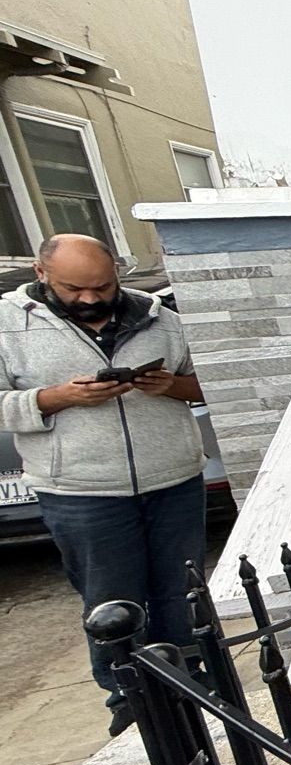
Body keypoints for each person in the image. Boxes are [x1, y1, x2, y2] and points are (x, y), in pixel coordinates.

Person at [0, 234, 206, 735]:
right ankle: (129, 699)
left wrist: (171, 387)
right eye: (75, 288)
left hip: (173, 478)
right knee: (111, 598)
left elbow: (207, 382)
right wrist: (55, 398)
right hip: (80, 491)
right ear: (41, 272)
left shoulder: (162, 319)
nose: (91, 298)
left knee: (181, 590)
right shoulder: (7, 324)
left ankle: (194, 683)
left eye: (102, 285)